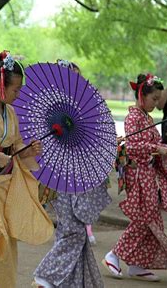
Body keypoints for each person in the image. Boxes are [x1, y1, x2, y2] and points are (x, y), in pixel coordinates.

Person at [0, 51, 54, 288]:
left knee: (6, 246)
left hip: (5, 186)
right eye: (16, 89)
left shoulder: (10, 112)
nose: (19, 94)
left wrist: (27, 150)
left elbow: (14, 146)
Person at [102, 73, 167, 282]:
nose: (156, 103)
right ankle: (114, 254)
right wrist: (156, 147)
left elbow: (152, 146)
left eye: (158, 99)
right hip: (137, 174)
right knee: (144, 218)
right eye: (154, 99)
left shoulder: (147, 118)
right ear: (142, 95)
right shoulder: (133, 117)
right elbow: (132, 146)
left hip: (148, 174)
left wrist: (164, 149)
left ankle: (137, 264)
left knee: (154, 220)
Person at [33, 60, 111, 288]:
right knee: (73, 232)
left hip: (77, 176)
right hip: (59, 176)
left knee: (75, 233)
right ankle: (45, 278)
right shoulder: (50, 111)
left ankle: (70, 283)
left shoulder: (80, 112)